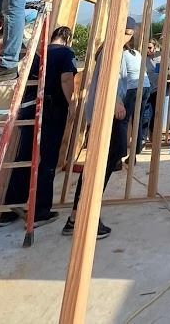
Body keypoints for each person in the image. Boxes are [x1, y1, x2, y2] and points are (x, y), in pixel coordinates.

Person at [62, 19, 136, 240]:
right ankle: (84, 215)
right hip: (105, 112)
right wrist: (116, 101)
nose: (128, 36)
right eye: (126, 31)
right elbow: (107, 78)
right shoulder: (110, 51)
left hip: (105, 111)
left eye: (130, 33)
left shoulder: (114, 50)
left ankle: (77, 215)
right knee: (99, 164)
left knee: (109, 158)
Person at [0, 26, 77, 228]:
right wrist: (72, 104)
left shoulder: (37, 53)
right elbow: (66, 78)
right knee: (47, 159)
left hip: (29, 108)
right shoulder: (65, 53)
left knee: (24, 157)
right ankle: (40, 212)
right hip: (51, 110)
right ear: (67, 39)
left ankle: (9, 211)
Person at [121, 19, 150, 161]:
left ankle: (119, 154)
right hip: (145, 86)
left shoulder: (122, 54)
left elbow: (121, 75)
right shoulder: (137, 53)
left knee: (123, 121)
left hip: (133, 88)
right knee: (137, 119)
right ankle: (135, 153)